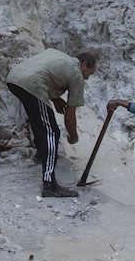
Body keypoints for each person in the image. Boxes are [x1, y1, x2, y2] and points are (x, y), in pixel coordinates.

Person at [6, 48, 98, 198]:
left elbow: (45, 72)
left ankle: (41, 154)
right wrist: (73, 137)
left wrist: (55, 98)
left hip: (14, 79)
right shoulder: (76, 74)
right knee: (52, 131)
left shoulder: (56, 54)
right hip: (32, 85)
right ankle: (50, 184)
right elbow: (70, 116)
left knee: (39, 122)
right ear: (84, 64)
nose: (87, 78)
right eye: (90, 73)